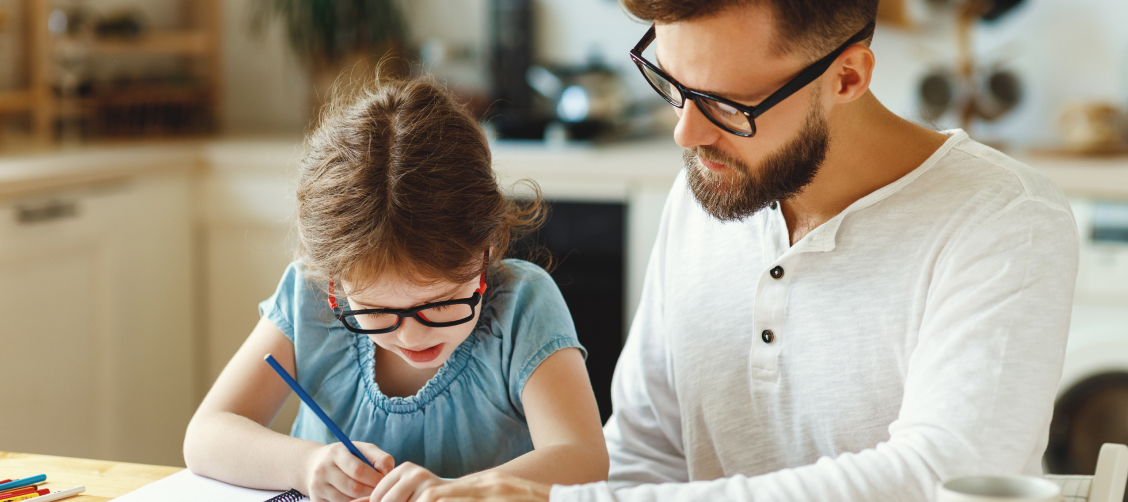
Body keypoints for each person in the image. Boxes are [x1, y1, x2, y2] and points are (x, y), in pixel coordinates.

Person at [417, 0, 1080, 501]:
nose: (686, 131)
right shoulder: (707, 192)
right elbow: (646, 454)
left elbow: (946, 476)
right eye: (671, 82)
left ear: (847, 77)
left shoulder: (1003, 219)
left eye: (727, 104)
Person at [182, 76, 608, 502]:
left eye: (441, 303)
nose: (411, 335)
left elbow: (584, 459)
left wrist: (460, 493)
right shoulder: (307, 296)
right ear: (333, 280)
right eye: (374, 309)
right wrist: (306, 464)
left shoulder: (523, 305)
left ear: (486, 251)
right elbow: (206, 435)